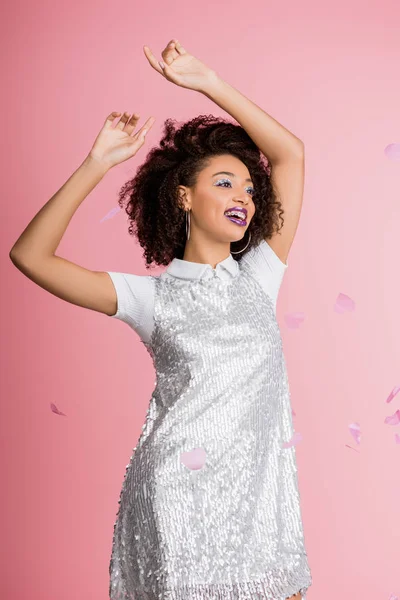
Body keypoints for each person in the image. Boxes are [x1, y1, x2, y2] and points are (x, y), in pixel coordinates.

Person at [9, 40, 311, 600]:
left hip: (261, 500)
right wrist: (96, 163)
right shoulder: (148, 297)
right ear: (183, 197)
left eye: (248, 186)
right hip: (176, 492)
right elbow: (30, 257)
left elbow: (290, 154)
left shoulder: (259, 277)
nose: (242, 195)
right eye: (223, 182)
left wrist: (208, 82)